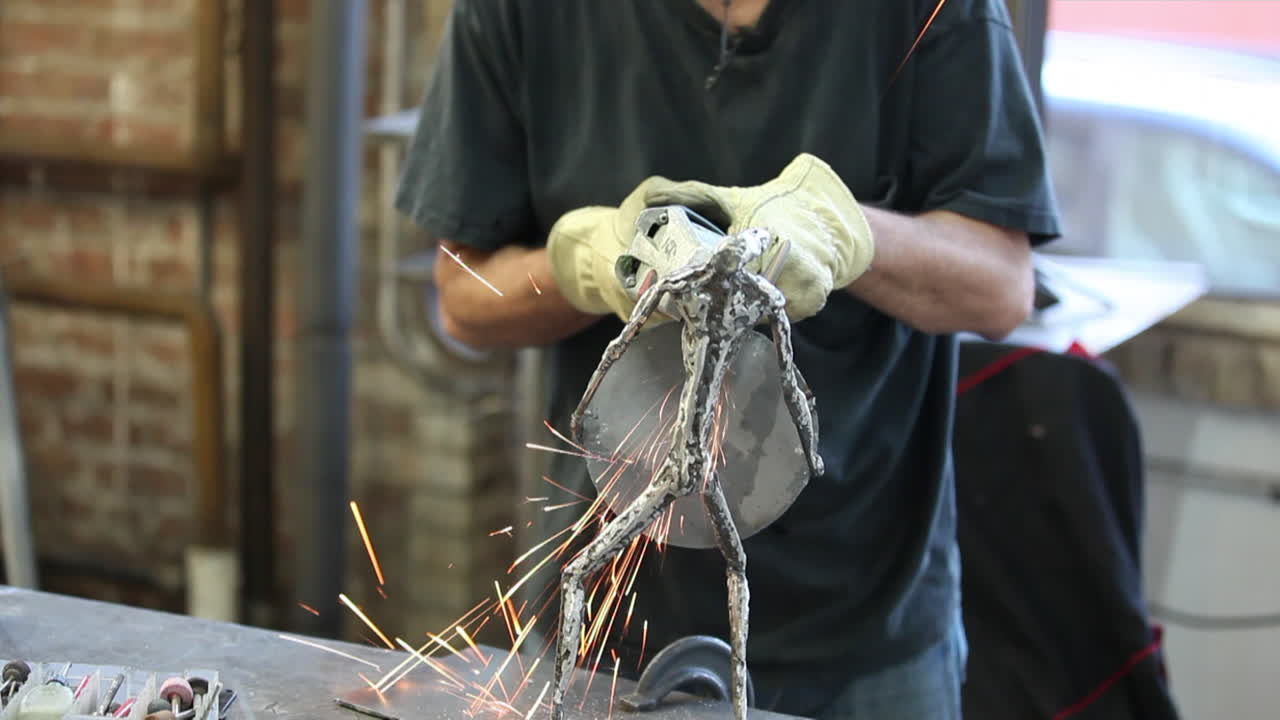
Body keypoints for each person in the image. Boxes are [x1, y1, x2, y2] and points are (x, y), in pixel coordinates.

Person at [395, 0, 1061, 717]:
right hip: (608, 627)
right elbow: (463, 295)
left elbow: (1001, 285)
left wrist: (848, 235)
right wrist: (581, 263)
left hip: (869, 626)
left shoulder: (935, 13)